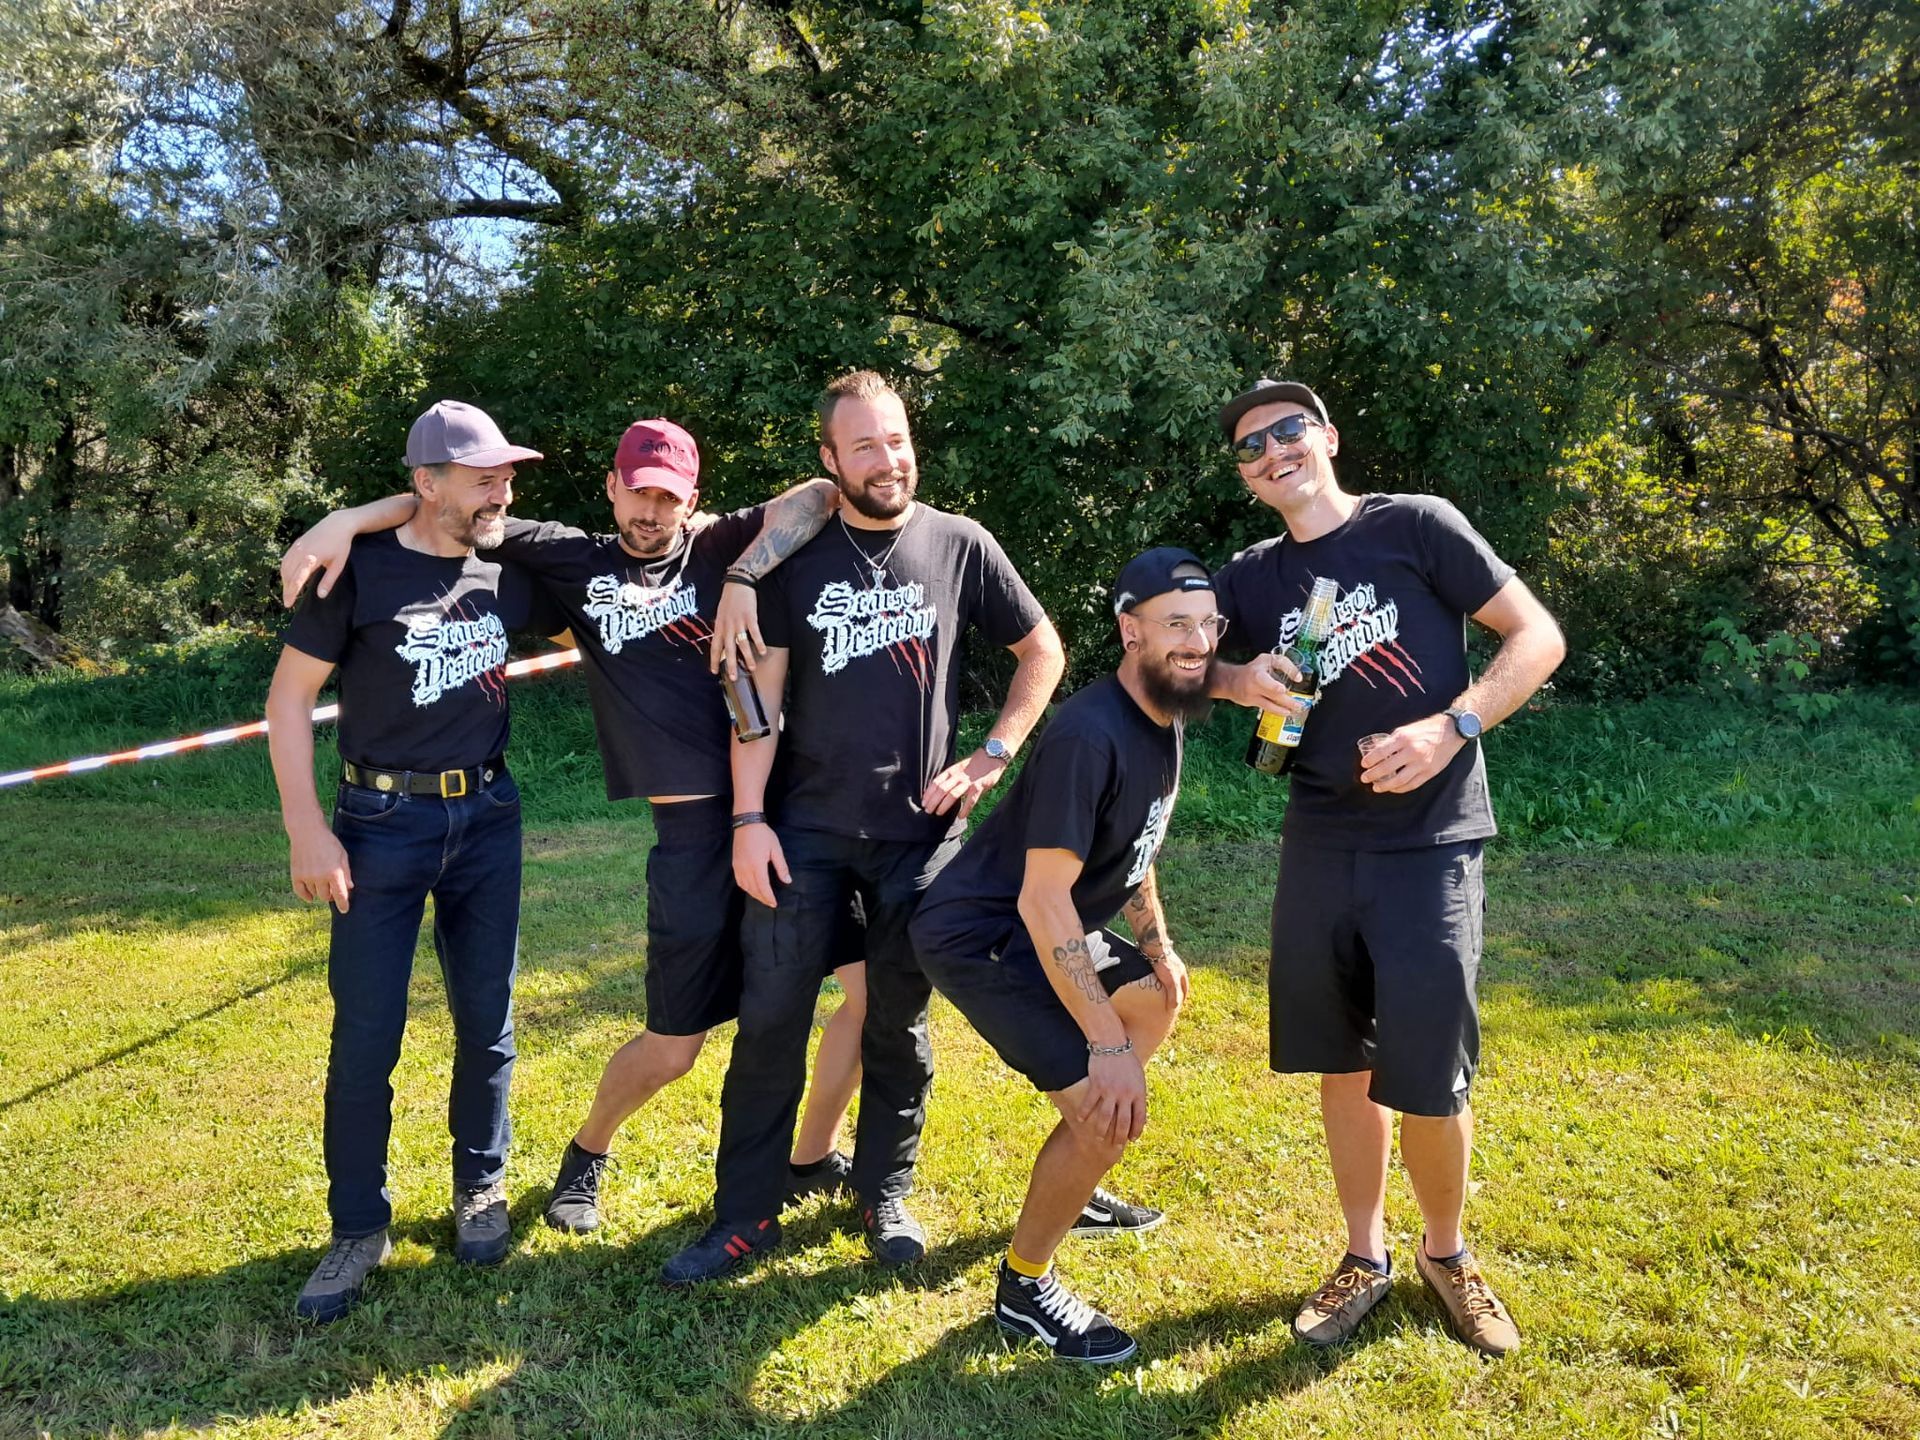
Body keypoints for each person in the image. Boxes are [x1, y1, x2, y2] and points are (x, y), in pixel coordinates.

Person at [279, 418, 865, 1237]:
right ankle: (587, 1152)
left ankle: (812, 1156)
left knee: (867, 992)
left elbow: (822, 493)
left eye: (669, 497)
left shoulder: (719, 546)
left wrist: (741, 575)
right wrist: (344, 520)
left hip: (783, 811)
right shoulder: (571, 560)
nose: (651, 511)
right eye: (638, 492)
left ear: (693, 498)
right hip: (690, 833)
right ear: (611, 489)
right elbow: (450, 511)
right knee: (675, 1048)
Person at [661, 368, 1080, 1285]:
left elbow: (1042, 649)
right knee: (770, 1024)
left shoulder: (961, 544)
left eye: (896, 440)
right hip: (801, 836)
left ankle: (884, 1192)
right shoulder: (794, 558)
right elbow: (757, 703)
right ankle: (743, 1216)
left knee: (899, 1022)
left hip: (920, 838)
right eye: (863, 446)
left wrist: (993, 754)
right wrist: (747, 819)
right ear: (830, 460)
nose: (887, 460)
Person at [1208, 378, 1566, 1357]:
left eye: (1289, 430)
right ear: (1245, 477)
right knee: (1343, 1059)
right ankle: (1363, 1257)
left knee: (1432, 1074)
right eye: (1251, 447)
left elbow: (1537, 636)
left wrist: (1451, 728)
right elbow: (1172, 661)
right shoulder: (1251, 579)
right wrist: (1240, 680)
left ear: (1326, 436)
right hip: (1320, 840)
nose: (1274, 451)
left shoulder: (1415, 525)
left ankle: (1448, 1255)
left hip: (1431, 842)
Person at [266, 400, 561, 1323]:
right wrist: (307, 830)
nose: (502, 492)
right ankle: (358, 1226)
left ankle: (480, 1185)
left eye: (507, 477)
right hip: (376, 825)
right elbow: (287, 701)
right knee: (366, 1036)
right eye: (484, 478)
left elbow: (603, 631)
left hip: (489, 818)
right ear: (427, 484)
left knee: (487, 1018)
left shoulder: (508, 567)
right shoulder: (357, 571)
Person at [911, 547, 1214, 1363]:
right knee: (1109, 1114)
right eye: (1176, 624)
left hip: (1041, 924)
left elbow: (1137, 845)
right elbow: (1042, 902)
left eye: (1207, 624)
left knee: (1154, 996)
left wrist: (1157, 944)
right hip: (983, 941)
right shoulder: (1089, 734)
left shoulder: (1162, 713)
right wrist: (1106, 1049)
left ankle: (1076, 1171)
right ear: (1130, 631)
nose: (1197, 642)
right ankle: (1025, 1288)